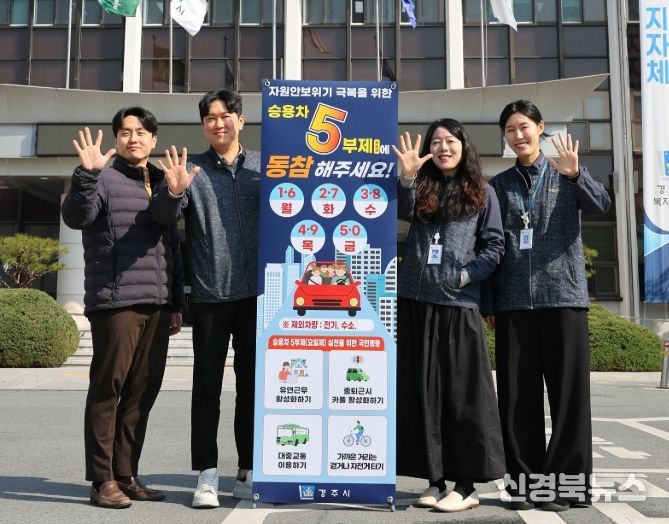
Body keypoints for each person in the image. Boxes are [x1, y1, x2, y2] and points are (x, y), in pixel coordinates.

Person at [484, 100, 611, 512]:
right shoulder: (498, 186)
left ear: (540, 128)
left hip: (564, 299)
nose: (518, 136)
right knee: (516, 400)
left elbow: (601, 206)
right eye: (510, 130)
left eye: (524, 127)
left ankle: (568, 486)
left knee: (569, 398)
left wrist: (576, 175)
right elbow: (491, 245)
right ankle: (525, 485)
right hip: (513, 304)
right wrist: (490, 301)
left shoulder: (566, 173)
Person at [61, 107, 184, 509]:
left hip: (157, 303)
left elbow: (170, 244)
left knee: (142, 392)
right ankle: (102, 480)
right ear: (116, 139)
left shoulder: (163, 180)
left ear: (153, 139)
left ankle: (126, 474)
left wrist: (176, 302)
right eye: (126, 132)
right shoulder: (101, 178)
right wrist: (86, 175)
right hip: (116, 302)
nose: (134, 138)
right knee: (107, 390)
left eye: (142, 132)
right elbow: (77, 216)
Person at [150, 89, 260, 508]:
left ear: (240, 120)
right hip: (211, 295)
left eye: (226, 115)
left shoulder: (266, 167)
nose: (219, 123)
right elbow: (162, 220)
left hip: (259, 296)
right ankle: (207, 474)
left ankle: (247, 469)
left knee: (252, 386)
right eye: (210, 118)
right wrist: (172, 191)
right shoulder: (190, 169)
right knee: (207, 388)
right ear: (203, 126)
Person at [393, 119, 506, 513]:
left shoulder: (483, 192)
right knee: (423, 396)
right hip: (415, 302)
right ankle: (435, 479)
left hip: (459, 305)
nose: (443, 147)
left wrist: (464, 276)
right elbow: (401, 212)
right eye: (436, 142)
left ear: (463, 145)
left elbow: (494, 247)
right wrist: (407, 178)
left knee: (463, 396)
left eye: (450, 141)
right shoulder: (421, 187)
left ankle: (466, 484)